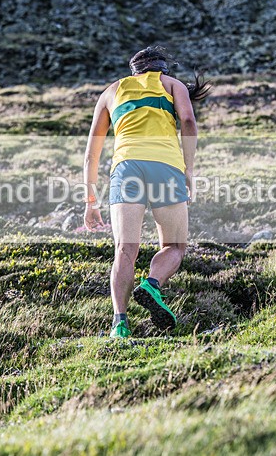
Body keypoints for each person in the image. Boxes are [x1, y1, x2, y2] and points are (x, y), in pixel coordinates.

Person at [83, 46, 210, 338]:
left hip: (126, 169)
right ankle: (152, 285)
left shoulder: (110, 92)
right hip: (166, 167)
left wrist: (91, 202)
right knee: (175, 247)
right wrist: (188, 170)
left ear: (134, 71)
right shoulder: (171, 85)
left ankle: (120, 324)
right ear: (161, 68)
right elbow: (189, 122)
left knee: (125, 250)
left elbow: (91, 154)